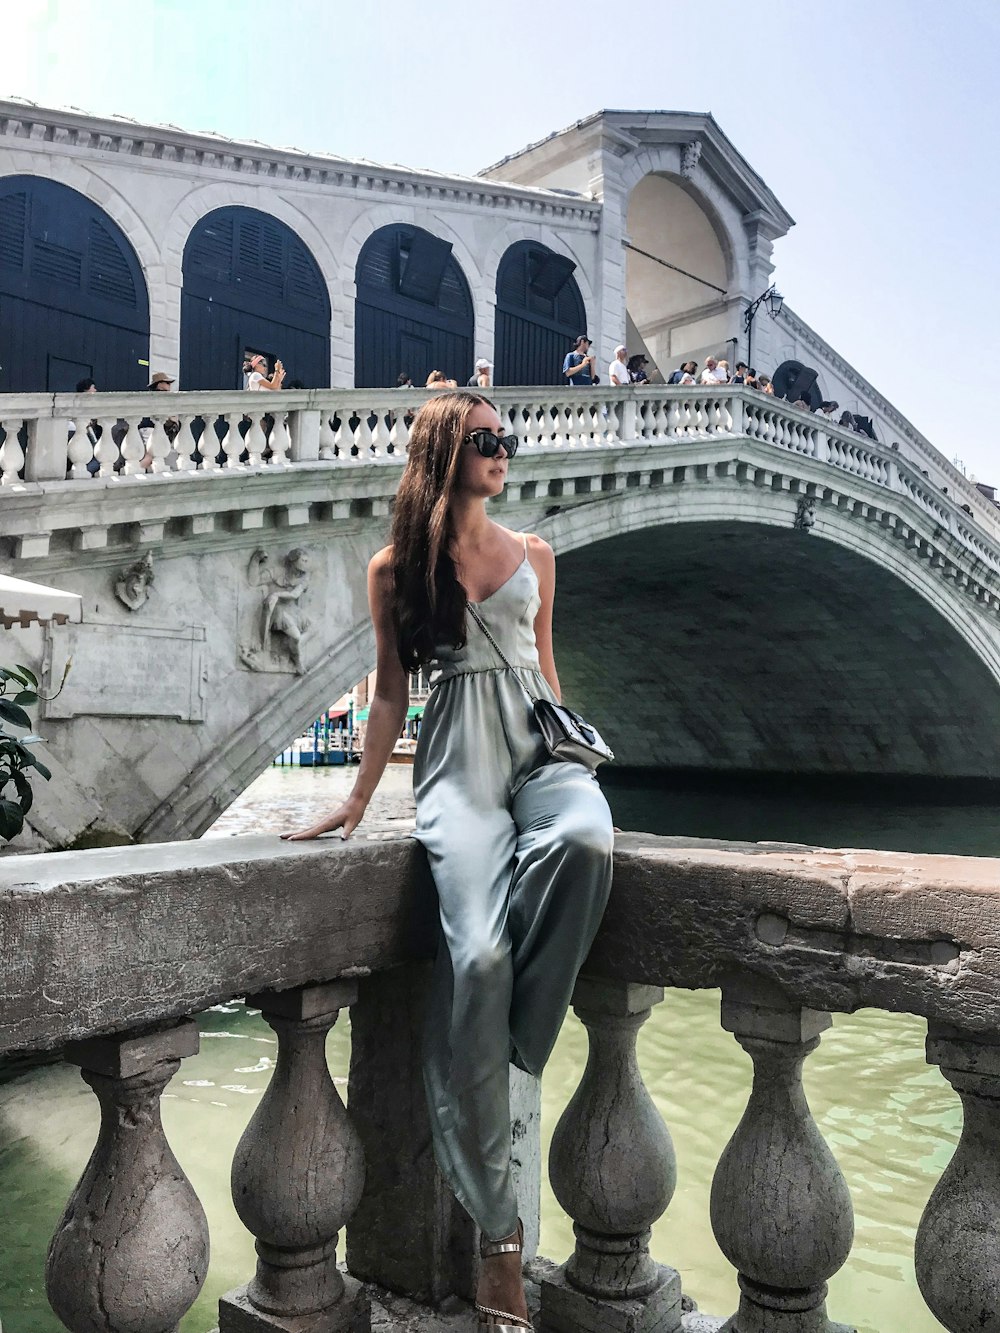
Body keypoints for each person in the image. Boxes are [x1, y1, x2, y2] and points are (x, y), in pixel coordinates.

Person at [282, 392, 613, 1331]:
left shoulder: (537, 553)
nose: (505, 451)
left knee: (587, 841)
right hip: (457, 769)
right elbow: (388, 694)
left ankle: (499, 1063)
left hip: (540, 753)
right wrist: (355, 799)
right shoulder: (397, 570)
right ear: (443, 449)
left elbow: (547, 672)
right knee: (475, 956)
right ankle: (497, 1237)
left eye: (508, 439)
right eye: (487, 440)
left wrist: (575, 750)